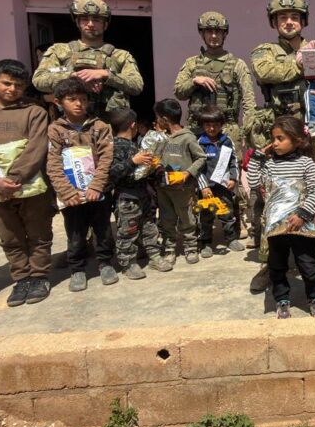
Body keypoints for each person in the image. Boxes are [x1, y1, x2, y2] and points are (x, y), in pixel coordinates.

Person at [0, 59, 53, 307]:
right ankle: (21, 278)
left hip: (32, 186)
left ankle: (39, 276)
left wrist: (15, 178)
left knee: (38, 233)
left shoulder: (34, 113)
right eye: (6, 83)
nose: (12, 89)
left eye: (18, 84)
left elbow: (37, 148)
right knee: (10, 236)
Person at [247, 0, 311, 290]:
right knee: (271, 198)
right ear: (274, 22)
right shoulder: (265, 50)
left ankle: (314, 259)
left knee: (313, 195)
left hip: (312, 134)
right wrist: (308, 65)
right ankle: (269, 263)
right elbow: (266, 71)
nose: (289, 21)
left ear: (303, 21)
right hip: (279, 137)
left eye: (295, 17)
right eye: (283, 17)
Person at [172, 11, 257, 236]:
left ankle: (235, 226)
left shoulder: (236, 64)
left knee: (230, 178)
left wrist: (248, 129)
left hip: (228, 127)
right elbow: (178, 91)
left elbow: (249, 98)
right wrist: (194, 81)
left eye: (218, 31)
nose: (213, 36)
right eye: (209, 31)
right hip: (198, 129)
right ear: (202, 33)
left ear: (225, 33)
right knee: (197, 176)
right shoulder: (192, 63)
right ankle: (202, 228)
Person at [246, 115, 315, 319]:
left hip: (300, 226)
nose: (275, 143)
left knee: (308, 265)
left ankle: (314, 299)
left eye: (281, 139)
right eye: (274, 139)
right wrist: (258, 157)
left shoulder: (306, 163)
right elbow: (254, 182)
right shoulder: (270, 165)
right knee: (277, 265)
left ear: (297, 141)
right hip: (276, 228)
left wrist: (302, 215)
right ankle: (282, 300)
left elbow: (314, 192)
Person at [46, 78, 117, 292]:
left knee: (103, 228)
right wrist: (67, 192)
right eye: (72, 99)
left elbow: (106, 158)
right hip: (73, 195)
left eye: (83, 99)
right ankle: (77, 269)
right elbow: (53, 163)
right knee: (75, 232)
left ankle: (105, 263)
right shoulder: (55, 130)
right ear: (59, 102)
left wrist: (96, 186)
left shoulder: (100, 127)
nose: (78, 104)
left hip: (98, 191)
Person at [32, 0, 144, 118]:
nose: (90, 24)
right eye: (85, 19)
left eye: (96, 20)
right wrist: (75, 76)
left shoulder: (120, 55)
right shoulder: (59, 51)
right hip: (69, 128)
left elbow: (137, 86)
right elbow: (39, 81)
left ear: (105, 25)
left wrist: (106, 74)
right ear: (77, 22)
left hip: (110, 128)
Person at [107, 108, 169, 276]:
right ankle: (128, 263)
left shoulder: (136, 145)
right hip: (127, 198)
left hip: (143, 195)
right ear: (133, 125)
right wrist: (133, 161)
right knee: (128, 231)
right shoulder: (114, 147)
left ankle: (154, 255)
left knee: (149, 227)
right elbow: (112, 173)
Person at [153, 98, 204, 265]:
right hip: (163, 187)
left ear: (165, 119)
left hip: (183, 189)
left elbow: (201, 158)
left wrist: (187, 173)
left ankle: (190, 247)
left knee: (187, 218)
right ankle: (169, 249)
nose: (157, 120)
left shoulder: (187, 138)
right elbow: (157, 156)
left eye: (158, 117)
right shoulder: (160, 137)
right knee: (166, 219)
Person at [194, 105, 243, 257]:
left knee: (227, 213)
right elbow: (197, 168)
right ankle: (206, 243)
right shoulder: (199, 143)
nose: (212, 128)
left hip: (224, 187)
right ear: (203, 125)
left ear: (221, 125)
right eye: (208, 125)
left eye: (215, 125)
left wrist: (234, 178)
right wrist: (204, 187)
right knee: (206, 216)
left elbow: (234, 162)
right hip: (207, 189)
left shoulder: (227, 141)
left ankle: (231, 239)